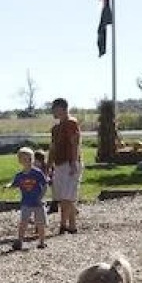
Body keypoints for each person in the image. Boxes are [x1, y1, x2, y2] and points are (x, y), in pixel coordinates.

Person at [49, 98, 83, 234]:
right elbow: (53, 147)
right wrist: (49, 164)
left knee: (66, 196)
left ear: (62, 108)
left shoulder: (71, 124)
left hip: (69, 163)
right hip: (59, 163)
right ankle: (72, 225)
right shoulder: (56, 128)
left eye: (54, 109)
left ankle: (63, 224)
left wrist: (74, 162)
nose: (53, 112)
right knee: (64, 195)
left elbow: (74, 143)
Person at [5, 147, 50, 251]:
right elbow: (14, 184)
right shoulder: (20, 176)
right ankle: (20, 241)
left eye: (30, 159)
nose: (28, 162)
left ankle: (42, 242)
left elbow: (44, 185)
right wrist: (8, 186)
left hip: (38, 202)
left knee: (40, 223)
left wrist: (41, 197)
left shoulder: (37, 173)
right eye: (25, 159)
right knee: (23, 222)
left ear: (33, 159)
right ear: (20, 161)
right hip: (26, 202)